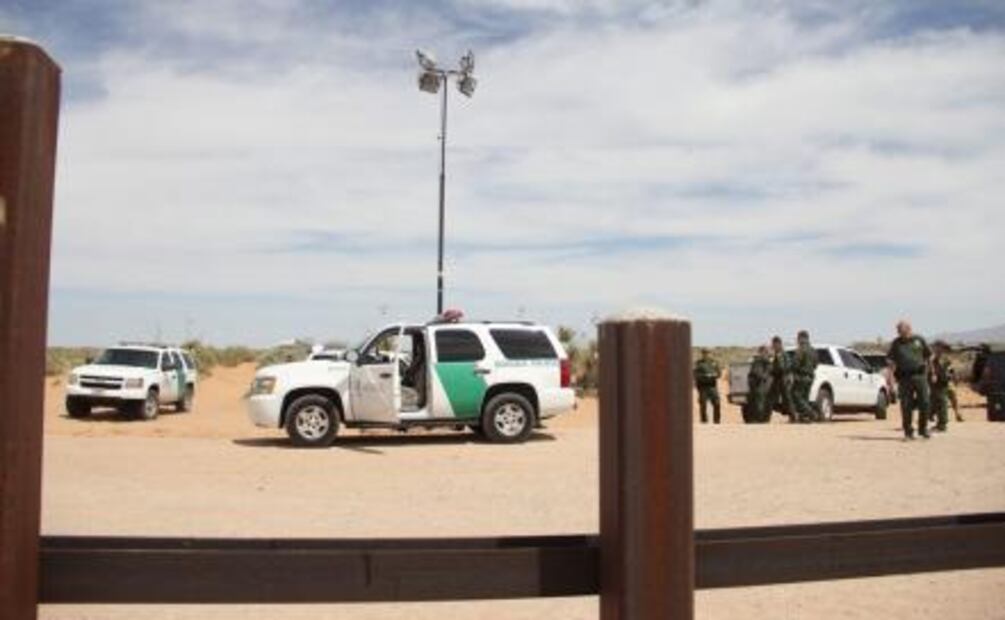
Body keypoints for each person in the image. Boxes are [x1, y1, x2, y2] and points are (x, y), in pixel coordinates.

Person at [887, 320, 932, 440]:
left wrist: (932, 373)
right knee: (906, 405)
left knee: (925, 403)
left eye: (901, 331)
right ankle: (908, 432)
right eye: (898, 331)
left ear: (909, 329)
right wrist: (890, 381)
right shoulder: (896, 344)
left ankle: (923, 429)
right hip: (904, 379)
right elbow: (891, 364)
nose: (899, 333)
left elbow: (928, 357)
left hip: (920, 376)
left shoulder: (919, 340)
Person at [791, 330, 818, 423]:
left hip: (801, 377)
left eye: (798, 338)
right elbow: (815, 364)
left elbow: (795, 364)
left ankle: (811, 413)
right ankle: (804, 417)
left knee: (796, 396)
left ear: (801, 338)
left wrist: (793, 370)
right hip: (810, 377)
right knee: (805, 397)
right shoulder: (813, 350)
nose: (797, 340)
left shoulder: (801, 349)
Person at [767, 336, 795, 422]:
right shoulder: (782, 353)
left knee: (785, 399)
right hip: (781, 378)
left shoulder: (780, 354)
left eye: (773, 344)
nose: (772, 346)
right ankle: (793, 416)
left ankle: (793, 417)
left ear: (777, 344)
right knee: (782, 398)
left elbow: (781, 367)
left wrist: (772, 370)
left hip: (782, 379)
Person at [693, 348, 722, 424]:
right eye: (705, 353)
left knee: (717, 403)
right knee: (703, 405)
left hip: (712, 386)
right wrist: (704, 376)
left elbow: (719, 373)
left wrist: (713, 375)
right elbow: (695, 374)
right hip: (703, 387)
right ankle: (704, 421)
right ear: (702, 354)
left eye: (708, 353)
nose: (706, 355)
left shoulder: (714, 363)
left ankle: (717, 421)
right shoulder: (698, 363)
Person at [929, 341, 953, 432]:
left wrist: (938, 376)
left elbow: (949, 372)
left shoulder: (944, 359)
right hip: (936, 384)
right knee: (937, 403)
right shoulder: (935, 358)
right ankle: (940, 423)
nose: (934, 349)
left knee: (942, 404)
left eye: (936, 347)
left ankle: (942, 424)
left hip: (942, 383)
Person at [745, 345, 772, 423]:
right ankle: (759, 419)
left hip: (759, 385)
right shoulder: (760, 360)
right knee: (756, 403)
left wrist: (762, 377)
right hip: (756, 385)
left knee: (759, 403)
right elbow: (758, 372)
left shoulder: (761, 361)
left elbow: (760, 373)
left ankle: (759, 419)